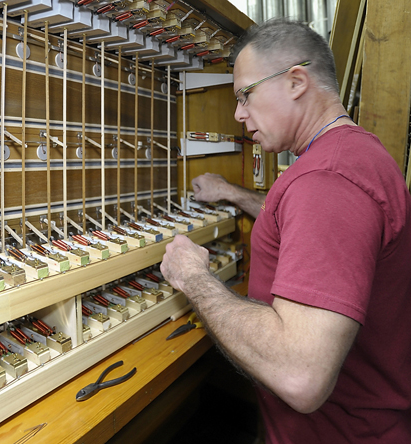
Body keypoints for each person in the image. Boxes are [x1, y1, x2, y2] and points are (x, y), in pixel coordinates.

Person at [160, 19, 411, 443]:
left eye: (245, 94)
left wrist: (194, 279)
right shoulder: (350, 156)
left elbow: (300, 375)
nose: (239, 113)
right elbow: (307, 227)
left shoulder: (328, 181)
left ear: (296, 81)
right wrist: (233, 194)